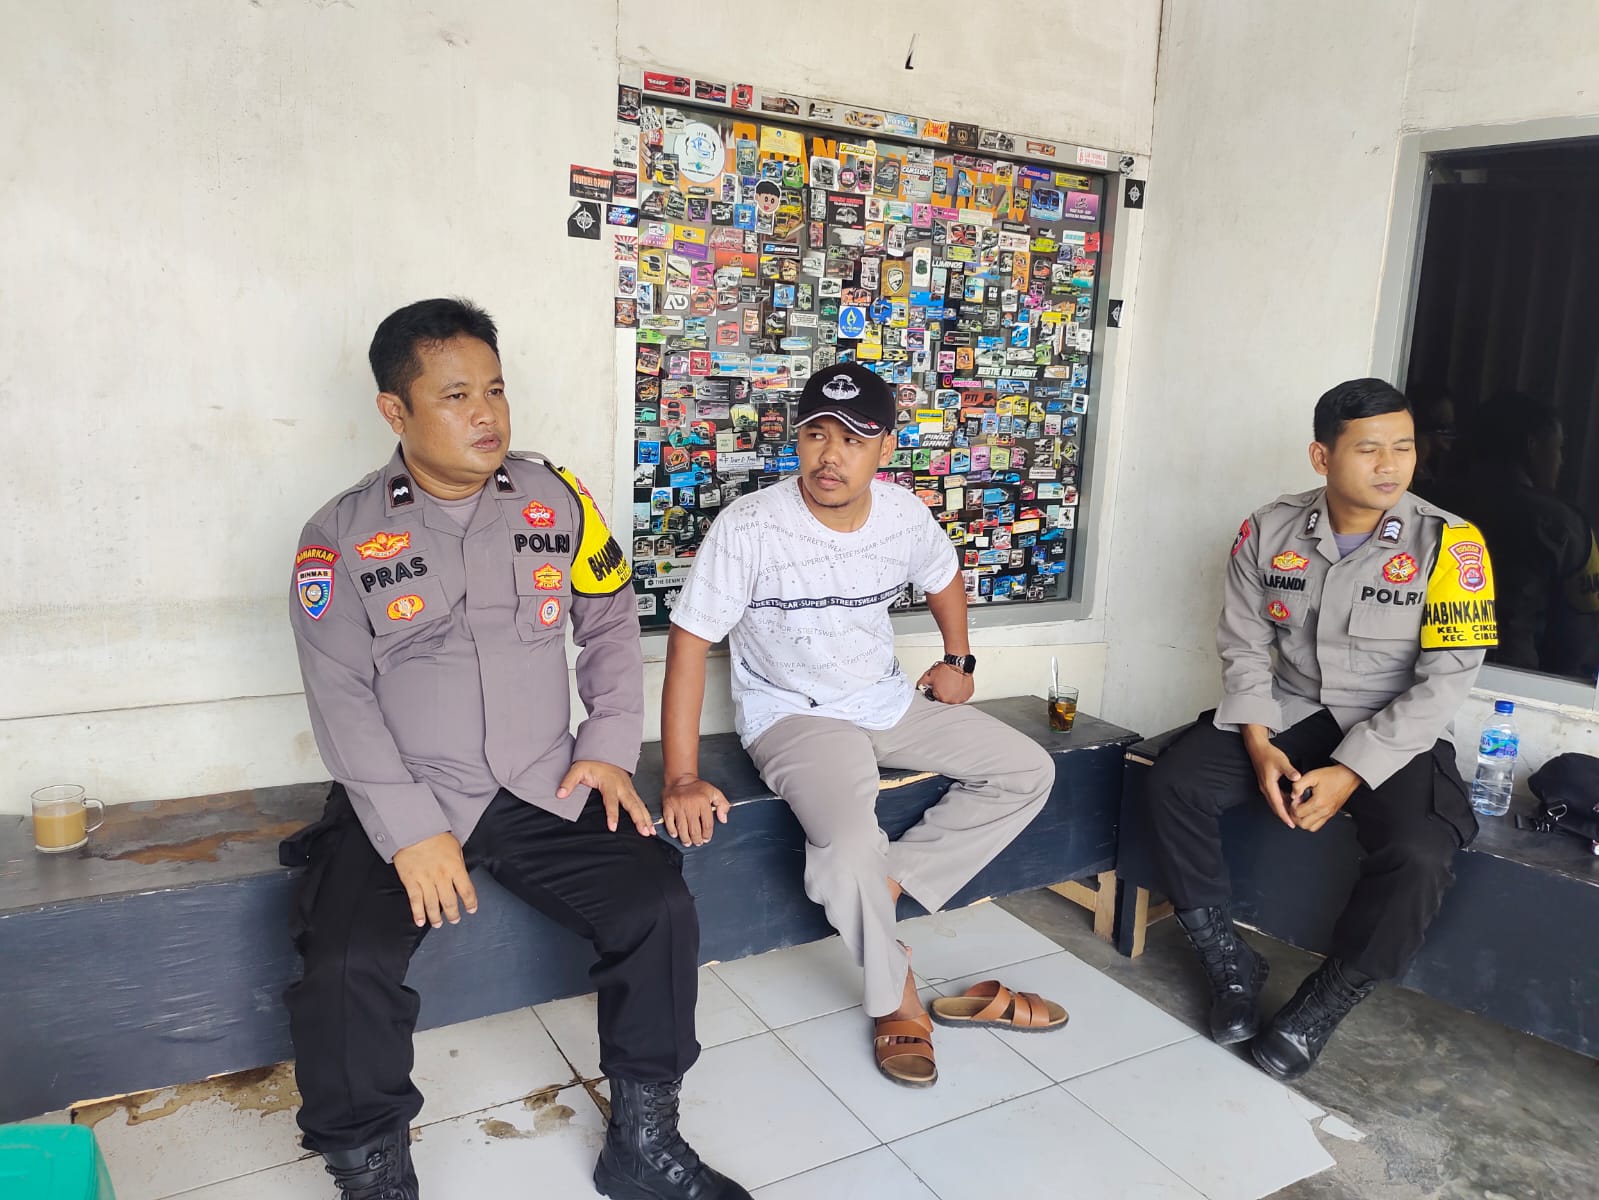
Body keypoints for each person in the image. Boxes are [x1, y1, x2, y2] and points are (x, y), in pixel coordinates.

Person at [282, 298, 750, 1200]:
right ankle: (372, 1175)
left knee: (656, 904)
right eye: (456, 395)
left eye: (494, 389)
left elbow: (608, 621)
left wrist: (607, 745)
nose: (486, 414)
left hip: (545, 780)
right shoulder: (338, 535)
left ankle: (644, 1145)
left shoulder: (556, 499)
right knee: (343, 964)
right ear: (395, 410)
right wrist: (410, 831)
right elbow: (338, 695)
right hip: (409, 792)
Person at [658, 361, 1062, 1089]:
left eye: (853, 439)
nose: (830, 455)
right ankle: (894, 995)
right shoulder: (749, 526)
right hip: (794, 716)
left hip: (888, 701)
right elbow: (688, 646)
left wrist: (959, 660)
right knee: (846, 847)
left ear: (885, 447)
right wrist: (682, 776)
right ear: (798, 439)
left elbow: (942, 575)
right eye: (817, 434)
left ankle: (889, 886)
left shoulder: (903, 514)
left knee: (1028, 769)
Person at [1145, 378, 1495, 1081]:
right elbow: (1244, 645)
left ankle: (1328, 997)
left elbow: (1446, 679)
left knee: (1422, 852)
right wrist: (1256, 740)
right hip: (1291, 709)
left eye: (1403, 447)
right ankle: (1228, 960)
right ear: (1321, 456)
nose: (1390, 465)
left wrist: (1352, 771)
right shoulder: (1267, 530)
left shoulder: (1451, 544)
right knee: (1175, 783)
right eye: (1369, 449)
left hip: (1392, 728)